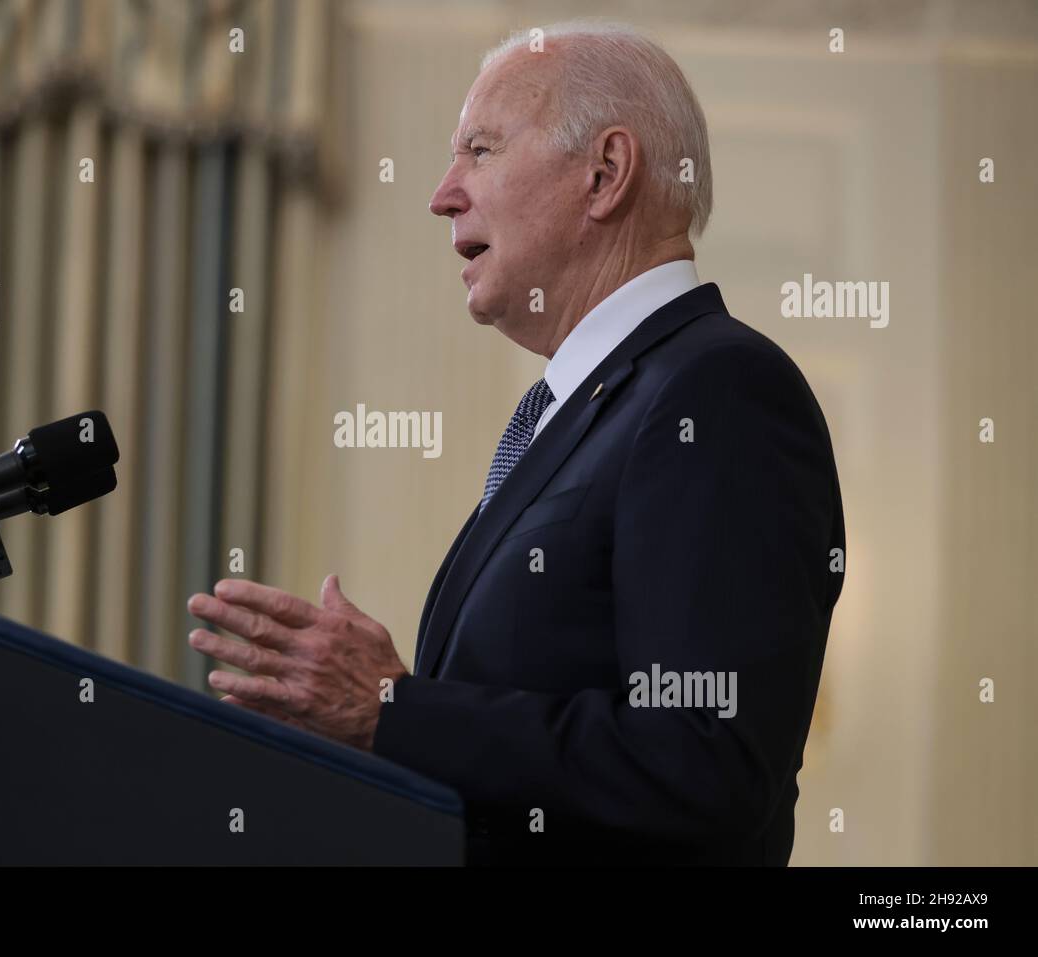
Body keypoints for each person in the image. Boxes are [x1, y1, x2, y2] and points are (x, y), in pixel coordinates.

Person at [188, 22, 845, 866]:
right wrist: (377, 733)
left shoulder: (718, 393)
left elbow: (705, 763)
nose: (441, 195)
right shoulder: (580, 409)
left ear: (604, 174)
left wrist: (394, 708)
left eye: (480, 151)